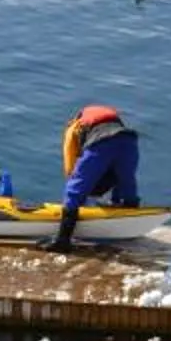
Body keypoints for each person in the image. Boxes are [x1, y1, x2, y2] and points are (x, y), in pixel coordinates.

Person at [45, 104, 140, 252]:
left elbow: (70, 154)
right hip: (129, 141)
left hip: (101, 143)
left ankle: (63, 240)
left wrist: (73, 178)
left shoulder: (75, 125)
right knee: (126, 180)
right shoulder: (113, 118)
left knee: (74, 190)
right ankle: (128, 210)